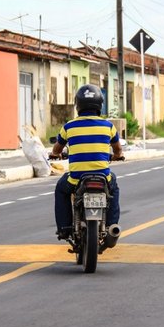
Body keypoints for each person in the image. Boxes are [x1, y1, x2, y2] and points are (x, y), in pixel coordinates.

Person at [50, 84, 123, 241]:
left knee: (61, 189)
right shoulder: (109, 126)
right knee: (114, 188)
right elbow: (118, 149)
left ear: (78, 105)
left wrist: (55, 154)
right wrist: (117, 156)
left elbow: (57, 148)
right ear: (100, 105)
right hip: (103, 177)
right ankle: (111, 226)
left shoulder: (69, 126)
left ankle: (64, 228)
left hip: (76, 179)